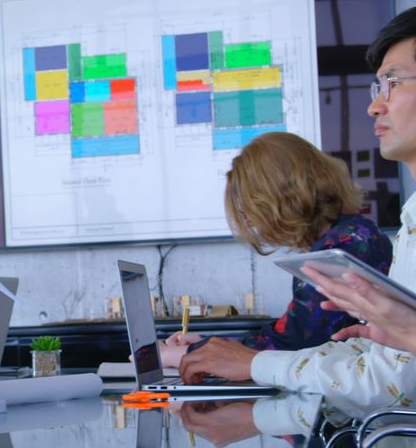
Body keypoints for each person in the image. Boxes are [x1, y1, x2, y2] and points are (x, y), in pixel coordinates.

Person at [178, 1, 416, 421]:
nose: (374, 106)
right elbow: (389, 354)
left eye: (394, 83)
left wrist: (253, 368)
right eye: (376, 88)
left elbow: (400, 389)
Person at [161, 132, 392, 368]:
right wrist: (206, 345)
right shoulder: (355, 233)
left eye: (252, 210)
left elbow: (295, 343)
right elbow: (290, 335)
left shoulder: (336, 250)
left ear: (275, 203)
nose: (254, 223)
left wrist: (187, 354)